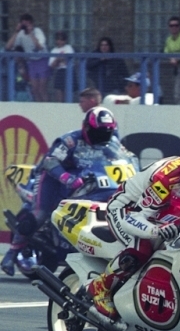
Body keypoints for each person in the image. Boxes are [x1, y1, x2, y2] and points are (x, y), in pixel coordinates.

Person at [87, 136, 180, 329]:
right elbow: (135, 217)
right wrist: (156, 230)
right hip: (128, 210)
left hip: (164, 210)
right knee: (144, 248)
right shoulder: (167, 177)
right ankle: (101, 287)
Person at [2, 107, 120, 275]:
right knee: (40, 213)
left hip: (90, 183)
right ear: (86, 127)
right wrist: (66, 177)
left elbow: (124, 159)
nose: (102, 136)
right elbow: (50, 162)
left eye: (106, 131)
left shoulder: (112, 142)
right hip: (54, 179)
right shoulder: (70, 141)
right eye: (98, 132)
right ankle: (11, 254)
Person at [6, 13, 48, 102]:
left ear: (31, 23)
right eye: (23, 24)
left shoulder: (38, 31)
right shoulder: (20, 34)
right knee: (35, 90)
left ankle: (46, 108)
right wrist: (16, 32)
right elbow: (8, 47)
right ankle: (39, 108)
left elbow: (39, 47)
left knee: (41, 89)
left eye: (27, 23)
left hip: (42, 60)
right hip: (31, 61)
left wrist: (31, 34)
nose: (25, 26)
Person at [49, 31, 75, 104]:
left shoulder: (68, 48)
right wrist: (58, 59)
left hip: (68, 71)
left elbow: (69, 61)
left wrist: (60, 59)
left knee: (68, 92)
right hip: (60, 72)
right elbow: (52, 65)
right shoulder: (53, 51)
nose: (59, 41)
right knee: (59, 92)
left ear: (65, 40)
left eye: (61, 39)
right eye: (58, 39)